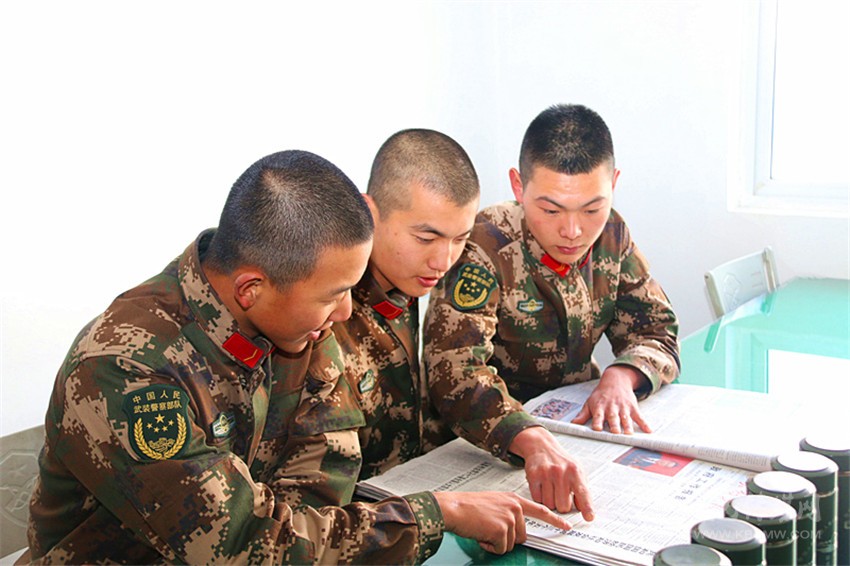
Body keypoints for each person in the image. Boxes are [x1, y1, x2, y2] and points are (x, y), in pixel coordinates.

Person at [25, 150, 570, 564]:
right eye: (334, 295)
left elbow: (326, 470)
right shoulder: (128, 368)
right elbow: (239, 543)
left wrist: (304, 539)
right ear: (251, 288)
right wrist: (435, 513)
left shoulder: (298, 323)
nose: (345, 313)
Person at [334, 129, 594, 523]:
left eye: (460, 239)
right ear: (370, 213)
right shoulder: (328, 305)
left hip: (410, 500)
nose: (443, 261)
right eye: (426, 238)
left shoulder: (402, 282)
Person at [424, 104, 680, 494]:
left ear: (614, 183)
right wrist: (527, 437)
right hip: (490, 444)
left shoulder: (611, 233)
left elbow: (656, 329)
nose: (573, 231)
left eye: (592, 208)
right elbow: (454, 372)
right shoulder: (484, 245)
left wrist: (622, 376)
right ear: (518, 186)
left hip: (575, 430)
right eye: (550, 209)